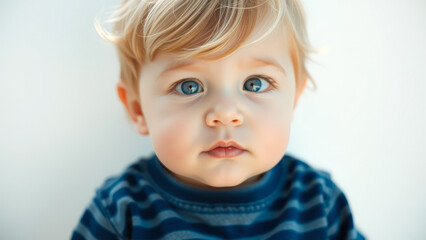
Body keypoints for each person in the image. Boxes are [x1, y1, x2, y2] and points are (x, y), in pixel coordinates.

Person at [72, 0, 366, 239]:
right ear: (138, 110)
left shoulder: (319, 203)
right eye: (189, 86)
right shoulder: (121, 212)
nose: (226, 114)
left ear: (294, 99)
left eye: (255, 83)